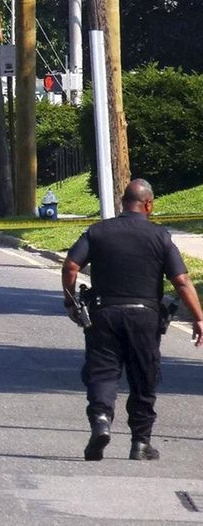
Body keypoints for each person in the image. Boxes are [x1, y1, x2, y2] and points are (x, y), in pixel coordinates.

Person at [62, 179, 203, 461]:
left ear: (122, 203)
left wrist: (71, 303)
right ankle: (141, 442)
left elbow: (71, 265)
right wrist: (198, 318)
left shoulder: (98, 232)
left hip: (104, 315)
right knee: (143, 377)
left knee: (102, 371)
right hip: (145, 317)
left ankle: (101, 419)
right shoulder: (160, 236)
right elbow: (182, 281)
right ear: (148, 204)